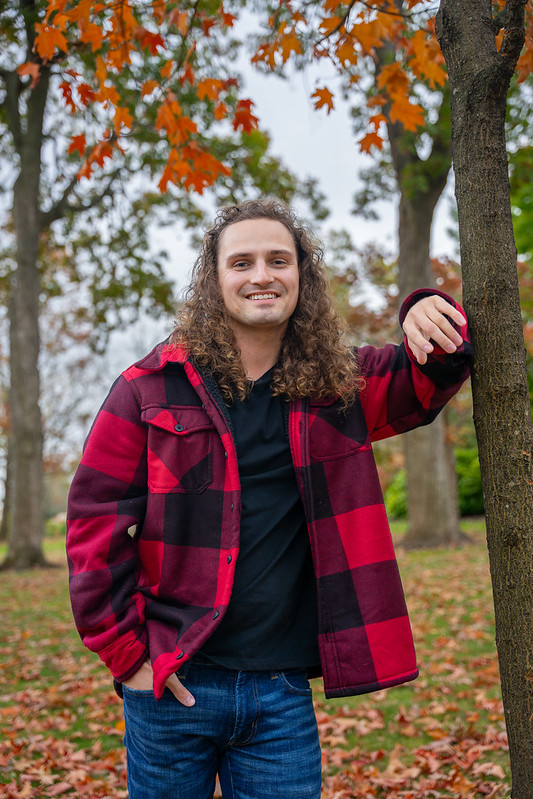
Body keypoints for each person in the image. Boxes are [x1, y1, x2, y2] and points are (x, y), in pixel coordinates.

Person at [67, 198, 472, 799]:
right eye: (242, 262)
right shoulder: (147, 389)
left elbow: (434, 373)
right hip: (173, 686)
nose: (262, 275)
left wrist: (420, 307)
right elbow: (92, 525)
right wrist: (129, 657)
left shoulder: (339, 386)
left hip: (279, 696)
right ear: (216, 279)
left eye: (279, 260)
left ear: (301, 276)